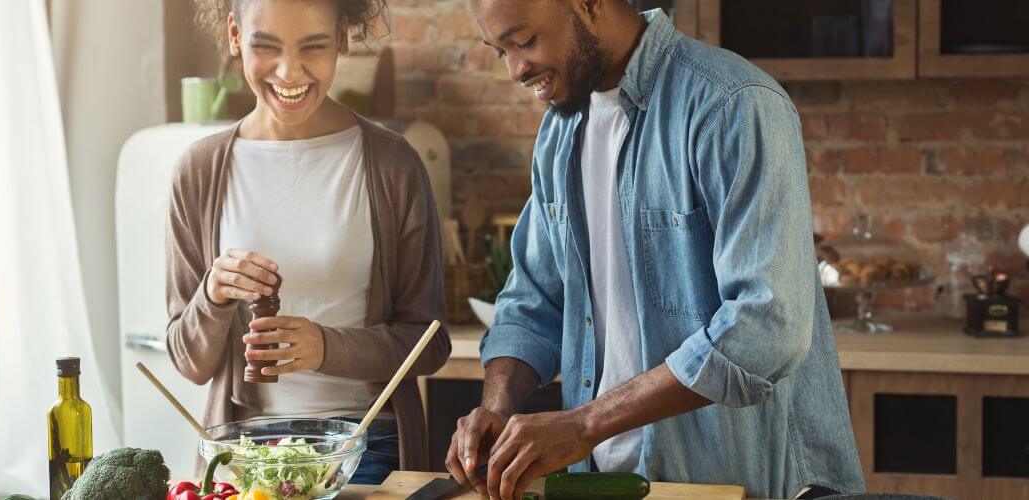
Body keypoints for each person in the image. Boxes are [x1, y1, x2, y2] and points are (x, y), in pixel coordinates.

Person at [445, 1, 865, 498]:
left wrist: (583, 425)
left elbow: (766, 327)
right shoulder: (558, 132)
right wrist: (496, 409)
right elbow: (534, 301)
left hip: (743, 483)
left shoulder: (732, 104)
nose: (516, 69)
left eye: (526, 41)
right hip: (605, 483)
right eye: (500, 52)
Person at [165, 0, 450, 484]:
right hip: (243, 451)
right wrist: (212, 297)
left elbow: (431, 341)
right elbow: (189, 360)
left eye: (313, 47)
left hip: (364, 445)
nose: (288, 71)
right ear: (235, 35)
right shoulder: (199, 171)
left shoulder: (392, 164)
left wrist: (324, 348)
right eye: (265, 46)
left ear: (341, 37)